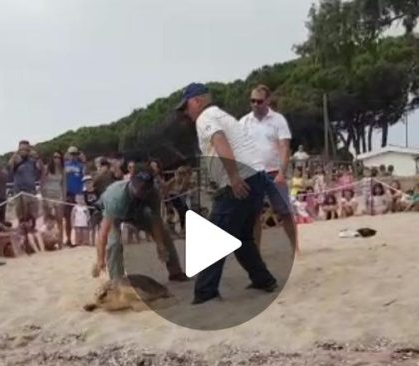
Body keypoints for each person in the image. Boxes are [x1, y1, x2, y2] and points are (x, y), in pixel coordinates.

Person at [177, 82, 277, 304]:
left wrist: (233, 177)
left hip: (240, 180)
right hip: (257, 177)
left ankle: (205, 293)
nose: (186, 112)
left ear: (197, 101)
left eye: (186, 107)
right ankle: (263, 280)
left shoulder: (205, 118)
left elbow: (220, 141)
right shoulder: (223, 115)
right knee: (242, 237)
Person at [94, 168, 188, 282]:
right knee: (114, 243)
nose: (141, 190)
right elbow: (103, 233)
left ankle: (175, 272)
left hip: (136, 212)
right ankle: (116, 281)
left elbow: (156, 220)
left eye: (145, 188)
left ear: (150, 187)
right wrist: (100, 260)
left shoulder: (153, 193)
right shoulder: (116, 197)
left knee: (164, 233)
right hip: (114, 212)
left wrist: (160, 245)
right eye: (139, 187)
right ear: (132, 182)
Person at [239, 85, 299, 254]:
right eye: (252, 101)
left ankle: (295, 247)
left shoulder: (278, 120)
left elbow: (284, 147)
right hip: (252, 173)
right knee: (254, 216)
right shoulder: (244, 122)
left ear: (267, 101)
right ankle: (256, 252)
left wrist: (282, 171)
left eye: (259, 101)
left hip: (273, 172)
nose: (255, 104)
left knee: (285, 211)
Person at [9, 140, 43, 222]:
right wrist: (15, 155)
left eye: (26, 149)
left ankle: (32, 232)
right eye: (22, 149)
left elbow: (41, 169)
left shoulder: (33, 160)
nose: (24, 151)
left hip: (31, 191)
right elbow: (10, 166)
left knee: (33, 217)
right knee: (21, 218)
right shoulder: (16, 160)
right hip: (19, 192)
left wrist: (38, 157)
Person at [41, 151, 65, 246]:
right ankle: (45, 241)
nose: (57, 159)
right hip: (48, 195)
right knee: (47, 218)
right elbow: (42, 182)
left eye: (58, 157)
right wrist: (43, 197)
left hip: (58, 195)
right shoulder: (47, 168)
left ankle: (60, 242)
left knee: (59, 219)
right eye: (55, 157)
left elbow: (63, 184)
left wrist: (64, 197)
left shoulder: (62, 170)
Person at [64, 146, 85, 247]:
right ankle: (68, 239)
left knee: (80, 218)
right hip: (68, 194)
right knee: (68, 218)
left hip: (79, 194)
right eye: (71, 154)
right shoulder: (64, 165)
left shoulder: (81, 166)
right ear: (68, 154)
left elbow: (86, 177)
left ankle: (79, 239)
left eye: (75, 154)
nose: (73, 156)